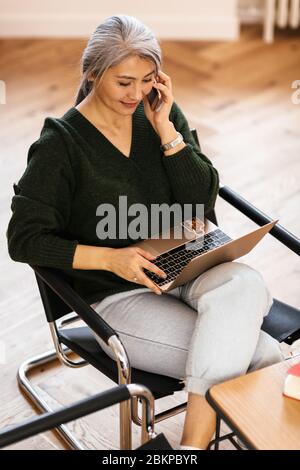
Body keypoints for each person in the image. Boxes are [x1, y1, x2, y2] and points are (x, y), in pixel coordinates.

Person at [6, 15, 283, 450]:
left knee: (245, 282)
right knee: (263, 356)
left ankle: (191, 449)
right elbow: (23, 239)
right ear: (92, 73)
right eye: (124, 82)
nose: (137, 94)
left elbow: (202, 200)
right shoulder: (60, 146)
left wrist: (167, 132)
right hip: (116, 295)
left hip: (186, 265)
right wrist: (110, 258)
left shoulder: (157, 112)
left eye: (148, 80)